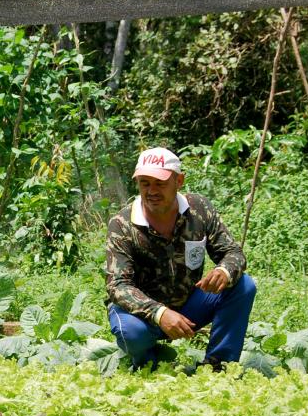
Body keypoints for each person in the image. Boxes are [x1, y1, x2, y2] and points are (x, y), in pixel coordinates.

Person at [105, 147, 256, 371]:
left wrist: (224, 271)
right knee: (131, 333)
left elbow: (232, 252)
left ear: (179, 181)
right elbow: (117, 285)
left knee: (243, 285)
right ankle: (148, 361)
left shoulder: (199, 209)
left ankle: (218, 363)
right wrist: (159, 313)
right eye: (145, 183)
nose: (151, 191)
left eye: (160, 183)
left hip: (188, 303)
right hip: (141, 315)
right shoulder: (122, 224)